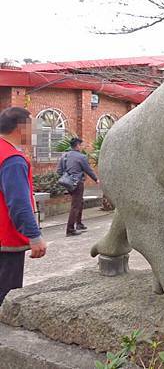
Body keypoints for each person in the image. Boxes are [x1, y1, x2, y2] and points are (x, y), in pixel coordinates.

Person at [0, 107, 47, 306]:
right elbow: (19, 203)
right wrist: (34, 237)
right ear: (20, 128)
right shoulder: (12, 159)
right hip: (6, 241)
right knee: (5, 299)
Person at [57, 137, 99, 237]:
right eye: (81, 145)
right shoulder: (81, 157)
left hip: (67, 183)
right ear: (78, 146)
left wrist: (67, 177)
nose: (82, 146)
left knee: (79, 202)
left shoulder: (65, 156)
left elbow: (59, 170)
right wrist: (96, 179)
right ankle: (70, 229)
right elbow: (88, 170)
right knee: (75, 205)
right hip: (77, 183)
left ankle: (79, 224)